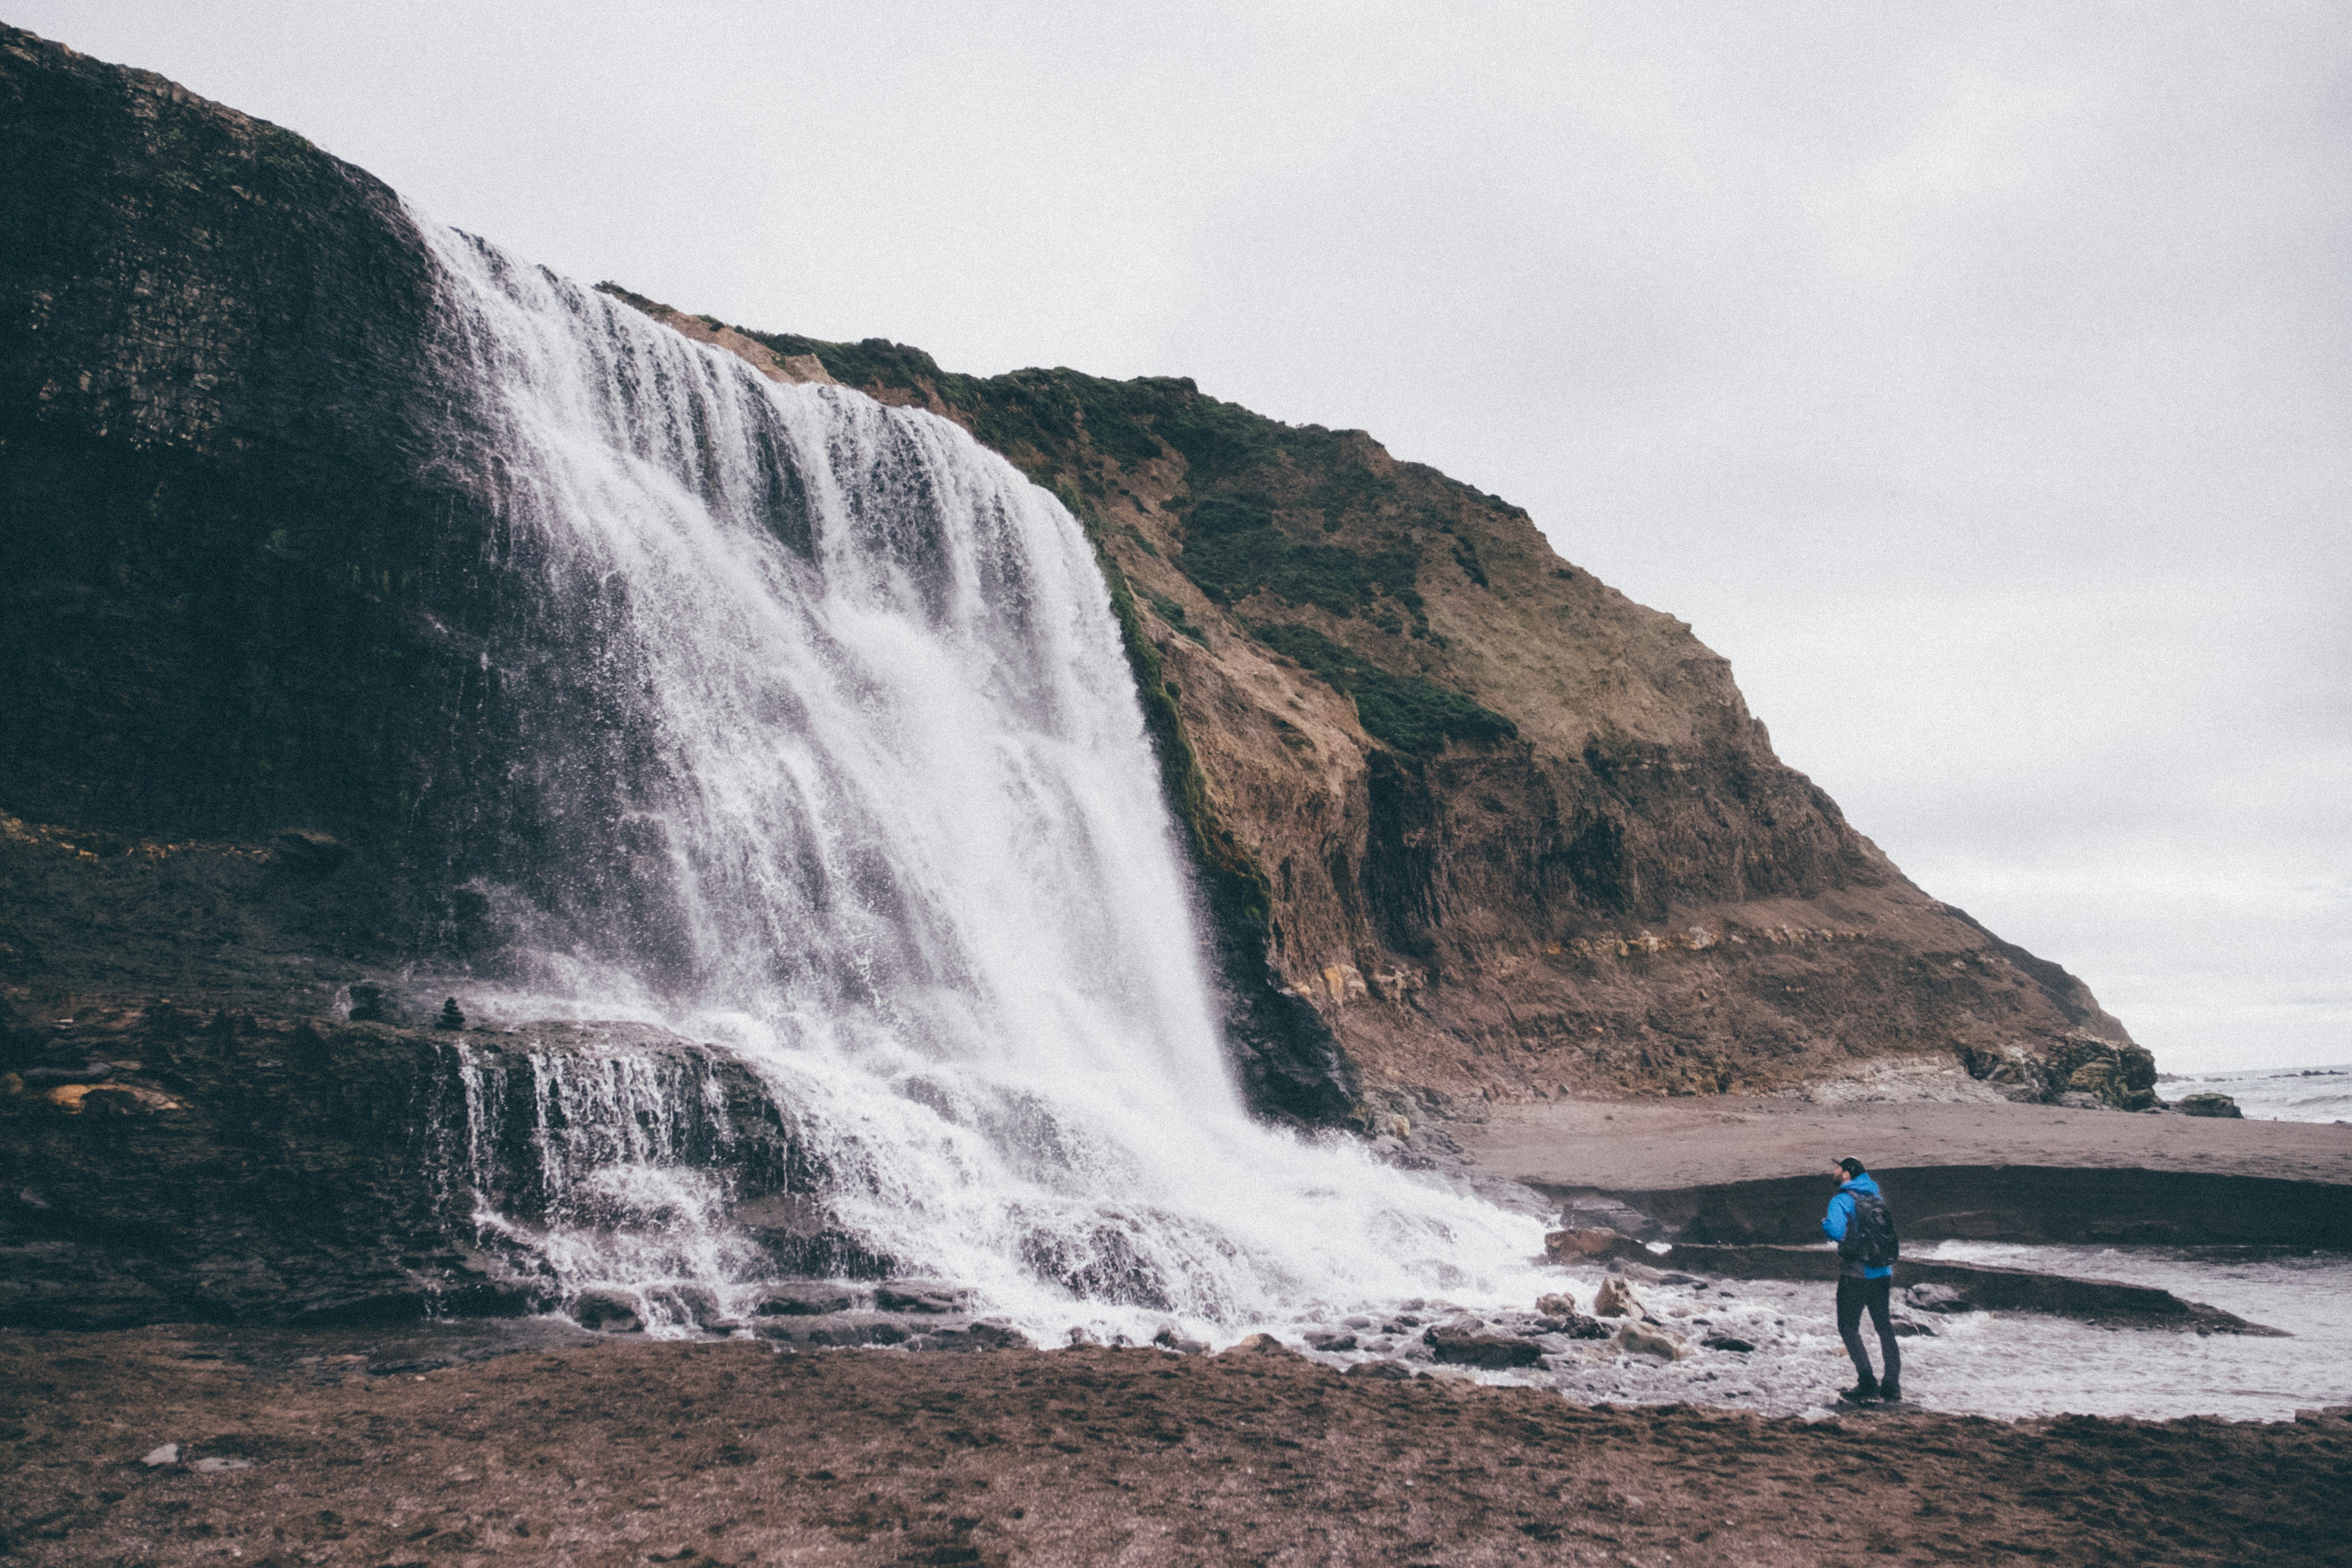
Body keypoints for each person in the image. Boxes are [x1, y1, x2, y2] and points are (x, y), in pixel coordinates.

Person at [1822, 1155, 1901, 1403]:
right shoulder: (1877, 1198)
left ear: (1847, 1174)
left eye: (1838, 1168)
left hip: (1855, 1275)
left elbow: (1835, 1231)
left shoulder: (1841, 1200)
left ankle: (1867, 1383)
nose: (1834, 1171)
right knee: (1884, 1328)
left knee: (1848, 1328)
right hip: (1883, 1273)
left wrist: (1825, 1223)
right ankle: (1892, 1386)